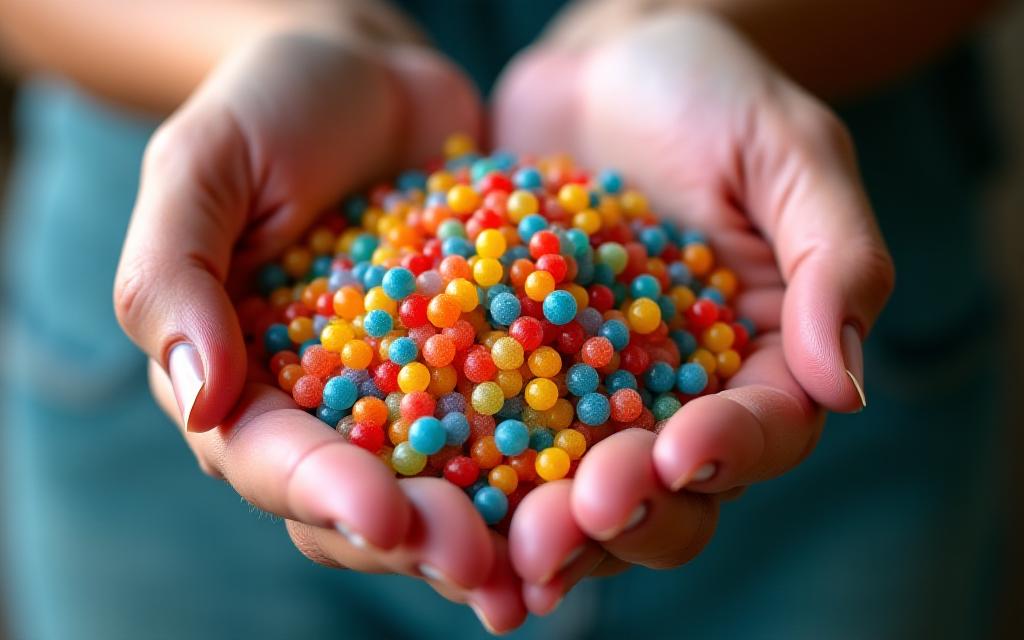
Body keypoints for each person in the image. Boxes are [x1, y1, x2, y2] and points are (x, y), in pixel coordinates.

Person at [0, 0, 1009, 637]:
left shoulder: (647, 300)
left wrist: (692, 19)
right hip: (220, 238)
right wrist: (278, 33)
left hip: (792, 249)